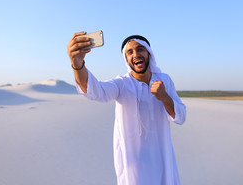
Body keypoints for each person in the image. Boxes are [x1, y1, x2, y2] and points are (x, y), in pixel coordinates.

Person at [67, 32, 186, 185]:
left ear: (149, 53)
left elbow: (181, 117)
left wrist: (165, 97)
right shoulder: (121, 84)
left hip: (163, 161)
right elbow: (94, 91)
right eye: (130, 52)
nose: (135, 54)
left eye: (140, 49)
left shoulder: (165, 80)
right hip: (133, 167)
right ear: (126, 59)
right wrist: (77, 64)